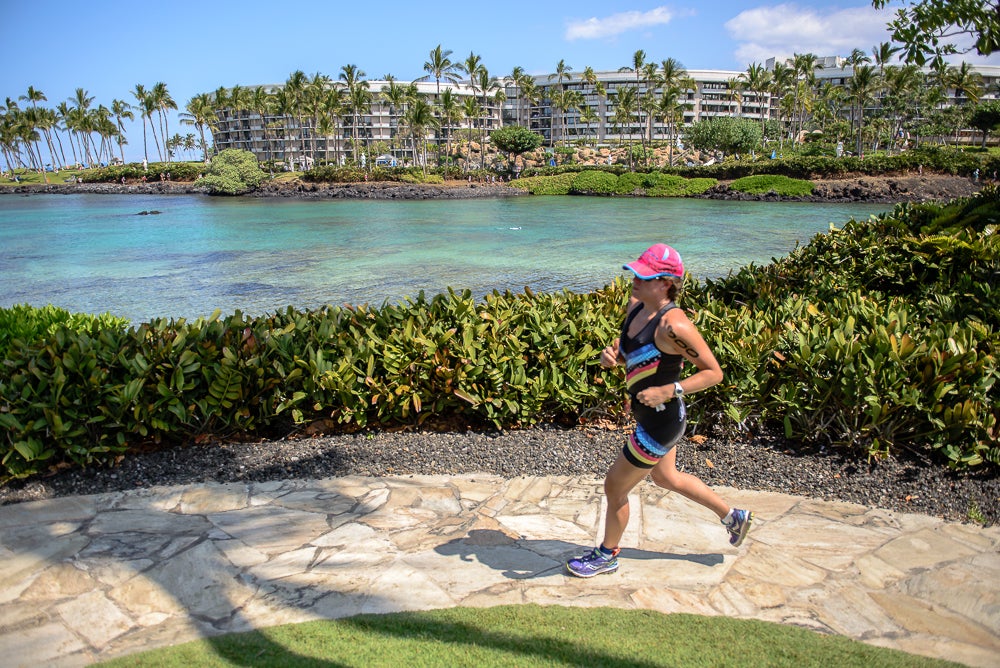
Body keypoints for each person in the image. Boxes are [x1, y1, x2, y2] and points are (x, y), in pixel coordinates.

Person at [566, 243, 753, 578]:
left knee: (614, 487)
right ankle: (733, 516)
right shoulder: (636, 306)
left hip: (660, 423)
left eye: (646, 275)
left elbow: (714, 372)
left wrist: (671, 388)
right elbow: (632, 354)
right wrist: (613, 358)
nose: (635, 279)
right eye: (636, 271)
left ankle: (606, 555)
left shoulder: (674, 326)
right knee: (666, 477)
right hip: (651, 415)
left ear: (666, 283)